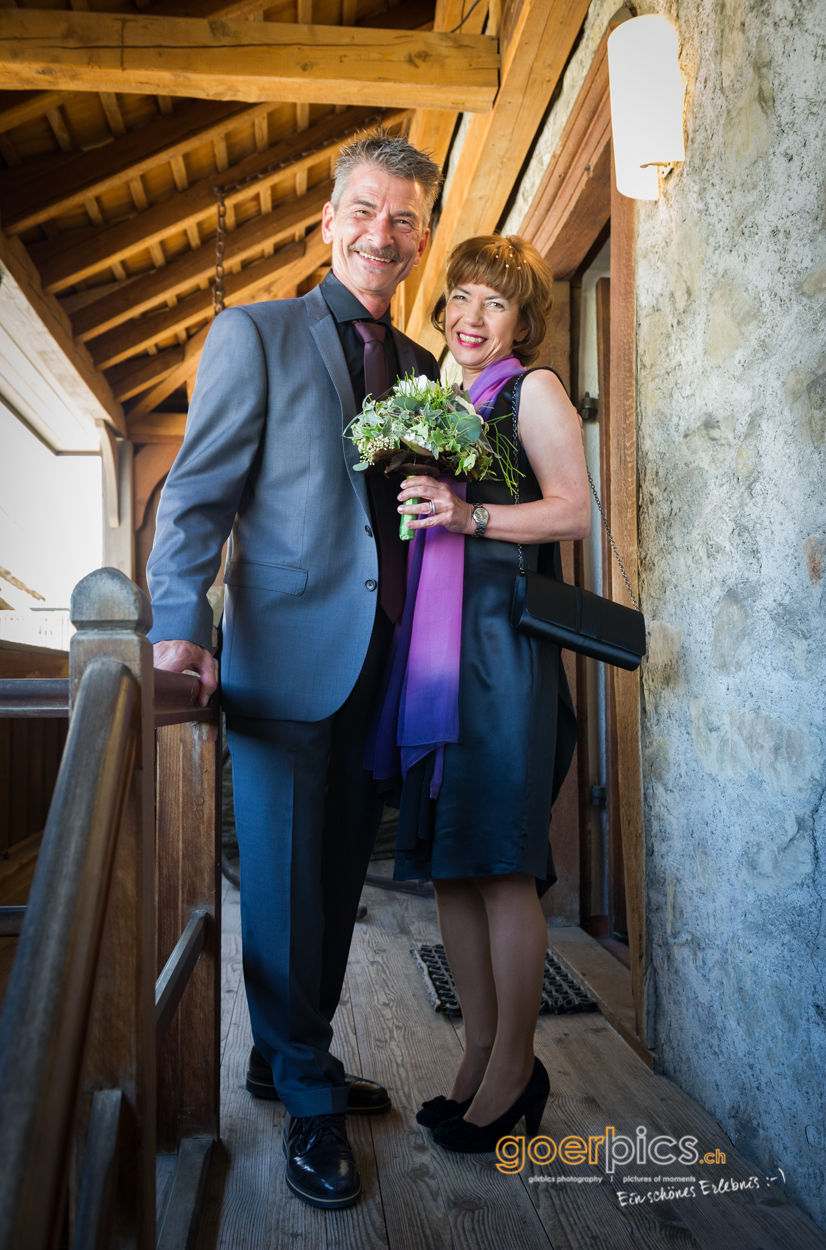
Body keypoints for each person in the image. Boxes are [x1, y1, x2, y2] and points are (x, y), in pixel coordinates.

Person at [146, 131, 442, 1210]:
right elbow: (195, 495)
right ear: (328, 222)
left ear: (420, 238)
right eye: (365, 210)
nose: (383, 232)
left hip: (389, 669)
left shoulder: (419, 372)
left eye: (405, 218)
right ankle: (308, 1102)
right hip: (279, 661)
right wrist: (178, 622)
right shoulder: (253, 334)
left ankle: (285, 1057)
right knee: (276, 884)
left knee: (334, 884)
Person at [368, 234, 590, 1153]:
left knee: (499, 861)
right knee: (450, 868)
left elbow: (576, 509)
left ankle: (517, 1068)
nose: (471, 317)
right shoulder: (438, 403)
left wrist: (470, 513)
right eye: (460, 297)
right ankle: (479, 1054)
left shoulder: (529, 391)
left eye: (494, 304)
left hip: (502, 657)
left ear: (521, 321)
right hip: (436, 656)